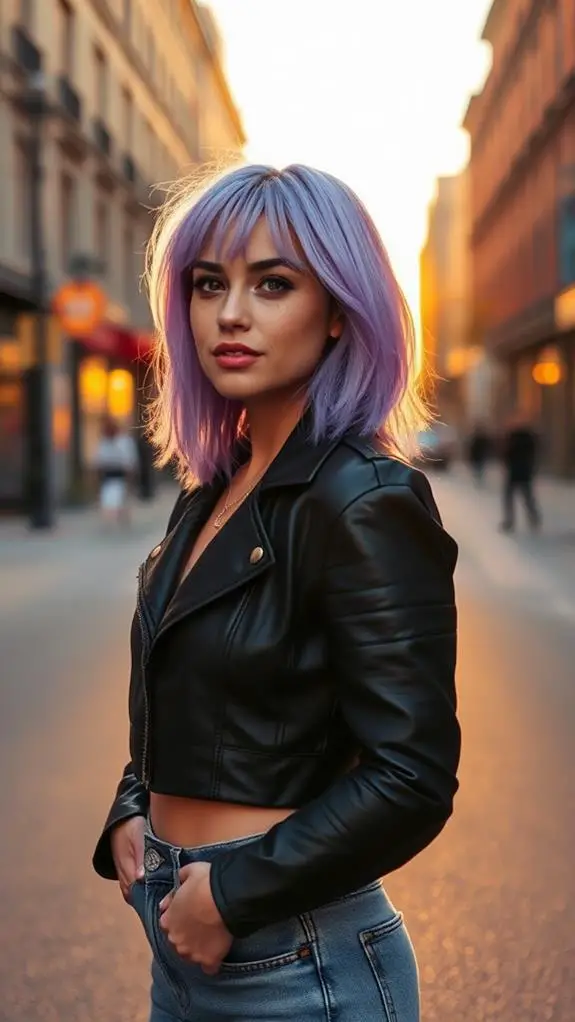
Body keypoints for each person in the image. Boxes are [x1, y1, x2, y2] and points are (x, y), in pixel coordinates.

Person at [92, 164, 460, 1021]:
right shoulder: (212, 490)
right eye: (209, 283)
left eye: (272, 284)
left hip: (298, 959)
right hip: (184, 940)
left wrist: (230, 894)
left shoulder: (363, 499)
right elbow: (193, 681)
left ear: (338, 312)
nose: (230, 312)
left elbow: (411, 775)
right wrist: (131, 804)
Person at [499, 412, 541, 532]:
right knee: (526, 496)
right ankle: (532, 518)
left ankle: (511, 520)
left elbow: (507, 452)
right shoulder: (527, 436)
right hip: (522, 470)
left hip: (517, 470)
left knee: (514, 496)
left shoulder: (516, 436)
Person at [93, 416, 138, 525]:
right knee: (109, 502)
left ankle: (121, 518)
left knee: (120, 500)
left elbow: (129, 462)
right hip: (108, 476)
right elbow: (99, 462)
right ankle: (113, 518)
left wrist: (130, 479)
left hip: (120, 475)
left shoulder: (124, 442)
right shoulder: (103, 442)